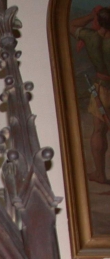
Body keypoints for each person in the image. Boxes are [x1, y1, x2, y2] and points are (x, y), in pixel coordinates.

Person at [70, 6, 110, 183]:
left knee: (99, 130)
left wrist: (91, 16)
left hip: (102, 88)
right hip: (103, 88)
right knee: (99, 131)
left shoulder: (90, 37)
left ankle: (100, 174)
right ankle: (100, 174)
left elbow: (70, 25)